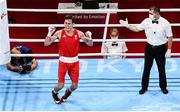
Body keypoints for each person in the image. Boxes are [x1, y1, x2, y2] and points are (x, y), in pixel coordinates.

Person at [119, 6, 173, 94]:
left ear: (157, 13)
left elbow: (170, 36)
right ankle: (144, 87)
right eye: (149, 13)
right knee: (147, 68)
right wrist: (128, 26)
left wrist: (169, 49)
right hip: (149, 48)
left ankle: (163, 87)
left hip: (160, 48)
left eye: (151, 13)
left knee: (161, 69)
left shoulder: (165, 23)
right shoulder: (146, 21)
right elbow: (137, 29)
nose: (149, 15)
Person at [44, 15, 93, 104]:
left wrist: (90, 37)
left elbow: (90, 44)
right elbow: (46, 44)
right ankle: (54, 93)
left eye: (69, 24)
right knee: (60, 85)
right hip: (63, 62)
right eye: (65, 23)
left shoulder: (79, 33)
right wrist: (49, 33)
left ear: (73, 24)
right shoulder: (59, 33)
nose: (67, 25)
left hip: (74, 62)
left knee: (75, 86)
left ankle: (67, 93)